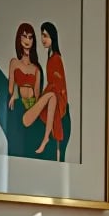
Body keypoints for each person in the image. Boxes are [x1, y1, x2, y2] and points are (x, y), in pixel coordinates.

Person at [22, 21, 68, 159]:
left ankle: (46, 138)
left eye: (45, 36)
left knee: (52, 96)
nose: (43, 39)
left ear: (52, 37)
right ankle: (45, 137)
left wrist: (48, 93)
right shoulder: (50, 58)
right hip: (52, 93)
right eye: (42, 35)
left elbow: (59, 83)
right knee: (50, 96)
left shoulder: (56, 58)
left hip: (59, 96)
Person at [7, 23, 41, 113]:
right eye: (25, 36)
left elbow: (37, 93)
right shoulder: (14, 63)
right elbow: (10, 87)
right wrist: (14, 95)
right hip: (19, 102)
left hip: (32, 105)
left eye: (30, 37)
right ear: (19, 38)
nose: (27, 40)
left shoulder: (36, 69)